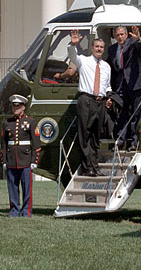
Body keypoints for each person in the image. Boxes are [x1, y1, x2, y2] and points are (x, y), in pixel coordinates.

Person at [56, 30, 111, 177]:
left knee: (95, 136)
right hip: (86, 100)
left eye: (101, 47)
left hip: (100, 103)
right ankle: (87, 167)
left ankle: (95, 165)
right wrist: (73, 45)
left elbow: (107, 85)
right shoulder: (84, 60)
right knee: (85, 135)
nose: (99, 49)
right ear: (92, 48)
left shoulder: (106, 66)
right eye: (97, 47)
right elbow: (73, 56)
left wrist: (108, 97)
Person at [107, 25, 141, 151]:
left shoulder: (132, 43)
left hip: (136, 84)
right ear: (114, 36)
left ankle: (134, 142)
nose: (120, 37)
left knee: (136, 115)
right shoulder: (112, 49)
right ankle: (119, 141)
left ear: (126, 34)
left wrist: (139, 38)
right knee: (122, 114)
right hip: (121, 85)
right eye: (117, 35)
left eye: (122, 34)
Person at [1, 94, 41, 217]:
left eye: (18, 106)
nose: (15, 108)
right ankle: (14, 210)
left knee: (27, 189)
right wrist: (4, 160)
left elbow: (36, 143)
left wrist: (35, 160)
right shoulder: (7, 122)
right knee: (12, 188)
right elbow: (3, 144)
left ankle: (26, 211)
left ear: (23, 107)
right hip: (12, 160)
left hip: (26, 160)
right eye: (14, 106)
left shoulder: (31, 121)